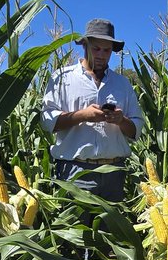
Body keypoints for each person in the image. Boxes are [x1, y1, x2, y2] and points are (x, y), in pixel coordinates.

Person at [40, 18, 144, 203]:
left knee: (110, 232)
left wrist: (121, 120)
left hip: (114, 173)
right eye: (96, 48)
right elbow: (48, 122)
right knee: (75, 231)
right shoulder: (62, 78)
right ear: (85, 46)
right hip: (75, 173)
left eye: (107, 50)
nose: (101, 55)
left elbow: (136, 129)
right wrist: (83, 115)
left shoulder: (122, 84)